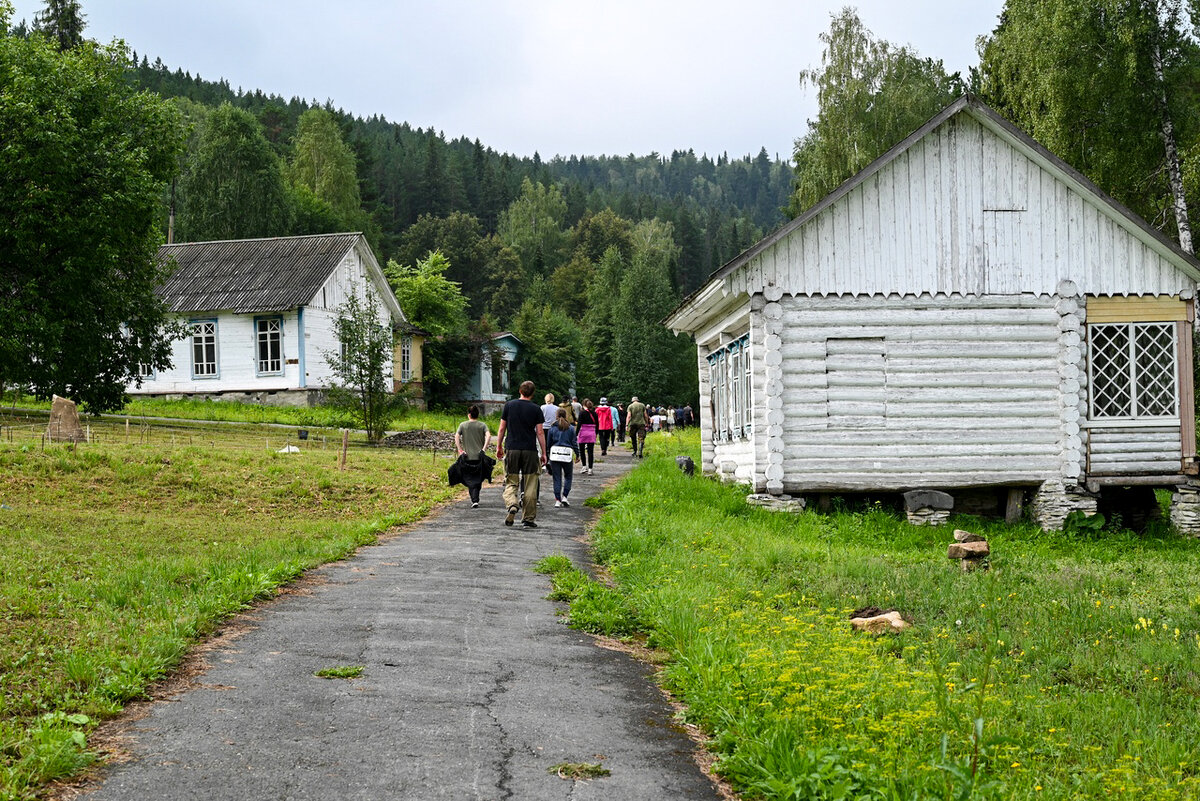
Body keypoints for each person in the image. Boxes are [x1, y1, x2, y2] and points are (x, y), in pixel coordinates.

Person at [496, 380, 547, 528]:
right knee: (530, 483)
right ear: (532, 393)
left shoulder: (509, 406)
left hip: (512, 448)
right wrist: (544, 452)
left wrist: (499, 446)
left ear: (520, 391)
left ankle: (512, 504)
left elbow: (501, 429)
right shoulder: (536, 409)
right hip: (530, 450)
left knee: (511, 481)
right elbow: (540, 432)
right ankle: (528, 519)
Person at [453, 405, 492, 507]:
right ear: (478, 414)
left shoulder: (463, 425)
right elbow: (488, 435)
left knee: (469, 478)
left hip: (467, 457)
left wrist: (460, 449)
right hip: (479, 457)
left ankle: (474, 499)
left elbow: (456, 436)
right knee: (478, 478)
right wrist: (484, 448)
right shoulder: (482, 425)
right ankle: (475, 498)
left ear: (469, 415)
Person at [545, 407, 577, 507]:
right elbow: (574, 443)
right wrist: (578, 454)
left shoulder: (552, 428)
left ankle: (557, 500)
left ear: (556, 416)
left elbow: (548, 444)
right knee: (568, 476)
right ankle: (565, 496)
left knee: (557, 478)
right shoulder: (571, 428)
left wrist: (547, 455)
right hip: (567, 454)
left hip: (555, 454)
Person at [576, 398, 598, 474]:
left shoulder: (582, 413)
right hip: (591, 432)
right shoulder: (594, 413)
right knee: (590, 451)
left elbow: (579, 424)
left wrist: (576, 433)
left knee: (582, 451)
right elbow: (597, 424)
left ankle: (584, 466)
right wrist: (596, 433)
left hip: (583, 432)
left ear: (584, 405)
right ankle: (590, 469)